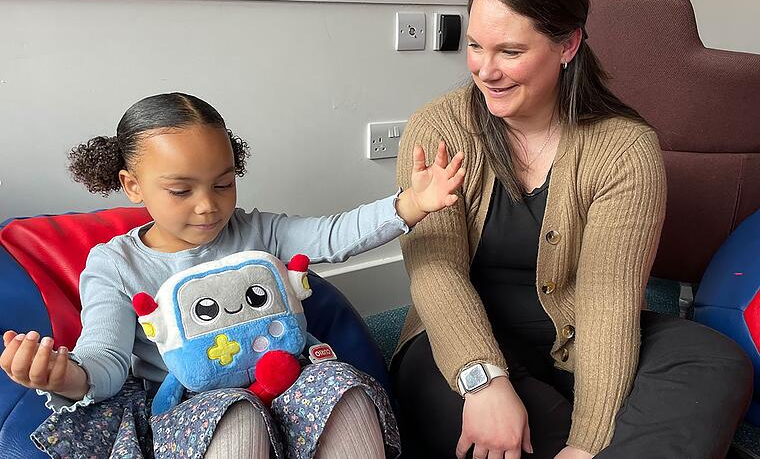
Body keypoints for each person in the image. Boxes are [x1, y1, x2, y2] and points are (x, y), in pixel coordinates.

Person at [390, 0, 753, 458]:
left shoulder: (624, 149)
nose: (485, 71)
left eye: (510, 51)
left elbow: (608, 300)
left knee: (715, 363)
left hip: (579, 330)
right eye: (475, 46)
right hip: (461, 336)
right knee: (493, 421)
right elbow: (436, 273)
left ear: (568, 45)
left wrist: (585, 444)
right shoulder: (439, 129)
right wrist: (483, 381)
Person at [0, 92, 465, 459]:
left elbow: (331, 234)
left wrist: (410, 204)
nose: (209, 205)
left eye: (224, 184)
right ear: (132, 185)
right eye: (181, 190)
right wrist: (66, 376)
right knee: (235, 415)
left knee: (344, 390)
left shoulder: (256, 231)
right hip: (188, 405)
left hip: (283, 379)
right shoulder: (115, 265)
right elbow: (106, 359)